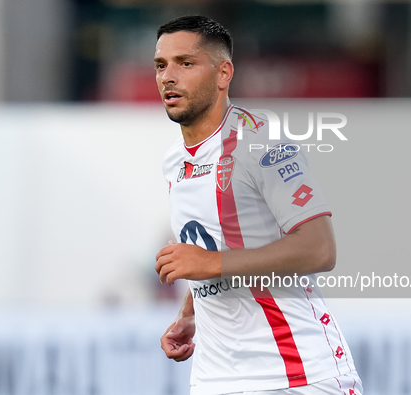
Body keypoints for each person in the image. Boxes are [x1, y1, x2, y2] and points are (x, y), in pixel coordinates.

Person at [154, 15, 363, 395]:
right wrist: (191, 313)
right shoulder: (174, 161)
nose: (169, 76)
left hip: (296, 375)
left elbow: (319, 247)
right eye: (161, 65)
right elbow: (220, 245)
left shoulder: (261, 142)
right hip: (214, 378)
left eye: (185, 63)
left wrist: (208, 264)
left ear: (223, 74)